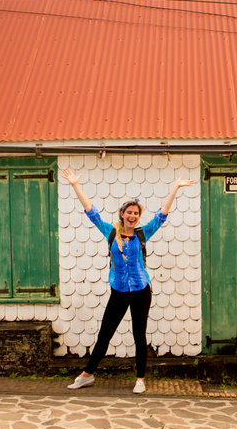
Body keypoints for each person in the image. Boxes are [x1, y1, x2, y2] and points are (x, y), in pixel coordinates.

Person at [61, 168, 195, 394]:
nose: (132, 216)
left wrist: (175, 188)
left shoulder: (143, 233)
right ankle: (87, 375)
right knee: (105, 333)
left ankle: (140, 379)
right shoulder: (111, 232)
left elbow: (161, 215)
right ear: (122, 214)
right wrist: (75, 185)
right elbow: (91, 212)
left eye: (136, 213)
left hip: (142, 290)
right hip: (119, 290)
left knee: (138, 334)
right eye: (129, 212)